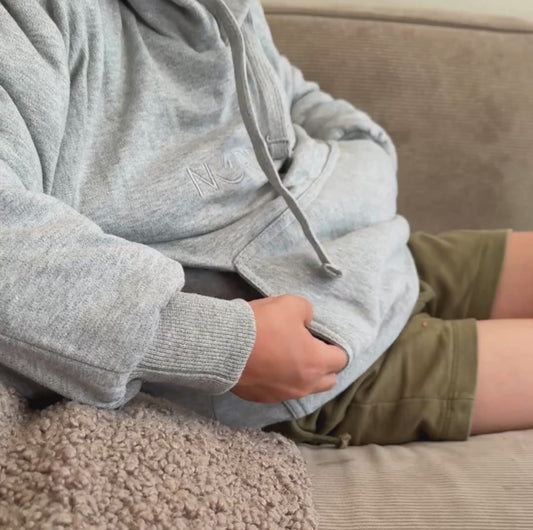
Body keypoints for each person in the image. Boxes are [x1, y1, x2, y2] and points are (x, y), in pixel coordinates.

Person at [0, 0, 528, 449]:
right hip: (317, 358)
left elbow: (289, 92)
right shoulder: (33, 19)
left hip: (353, 245)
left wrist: (362, 150)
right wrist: (222, 345)